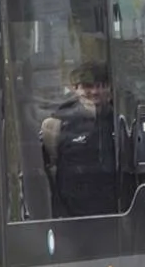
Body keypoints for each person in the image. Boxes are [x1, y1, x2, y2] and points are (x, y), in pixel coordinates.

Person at [41, 62, 122, 217]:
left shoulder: (121, 120)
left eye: (101, 85)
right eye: (87, 86)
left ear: (109, 88)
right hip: (73, 216)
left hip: (117, 213)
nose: (95, 92)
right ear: (75, 89)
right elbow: (50, 168)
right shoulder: (58, 123)